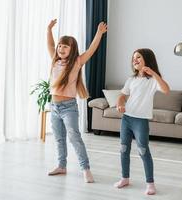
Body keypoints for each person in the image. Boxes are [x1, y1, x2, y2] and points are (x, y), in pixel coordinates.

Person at [46, 19, 107, 183]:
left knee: (74, 137)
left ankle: (85, 169)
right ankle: (61, 165)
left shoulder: (76, 62)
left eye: (65, 46)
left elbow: (91, 50)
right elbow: (50, 45)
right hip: (54, 106)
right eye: (60, 46)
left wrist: (99, 33)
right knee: (59, 138)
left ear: (72, 49)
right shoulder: (55, 61)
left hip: (68, 107)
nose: (61, 48)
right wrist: (49, 30)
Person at [114, 48, 170, 195]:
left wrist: (154, 74)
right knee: (123, 149)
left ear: (147, 60)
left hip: (141, 121)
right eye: (133, 58)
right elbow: (122, 95)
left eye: (138, 57)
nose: (135, 60)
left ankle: (150, 183)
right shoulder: (131, 80)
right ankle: (124, 178)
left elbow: (166, 90)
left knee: (143, 151)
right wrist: (120, 104)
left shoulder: (152, 80)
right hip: (127, 118)